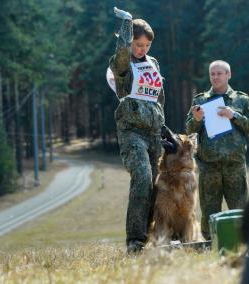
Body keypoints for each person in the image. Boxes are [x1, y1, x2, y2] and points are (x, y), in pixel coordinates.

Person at [109, 7, 165, 254]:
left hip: (154, 132)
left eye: (147, 46)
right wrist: (126, 27)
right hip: (132, 131)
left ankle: (153, 235)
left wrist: (161, 122)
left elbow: (158, 96)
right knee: (142, 176)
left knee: (155, 184)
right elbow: (121, 57)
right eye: (138, 44)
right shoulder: (122, 62)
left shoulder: (153, 63)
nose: (142, 50)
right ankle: (135, 241)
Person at [185, 60, 249, 240]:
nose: (216, 77)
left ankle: (242, 245)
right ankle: (211, 245)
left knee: (239, 211)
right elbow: (189, 131)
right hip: (209, 167)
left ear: (228, 75)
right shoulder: (200, 100)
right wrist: (196, 119)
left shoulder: (241, 99)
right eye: (213, 74)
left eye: (220, 73)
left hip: (235, 167)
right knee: (210, 212)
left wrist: (234, 115)